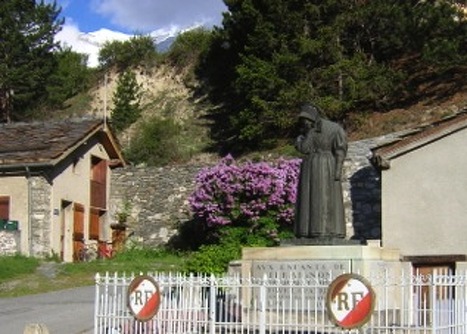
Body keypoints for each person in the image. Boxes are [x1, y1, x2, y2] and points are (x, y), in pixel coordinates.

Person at [294, 103, 348, 239]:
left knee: (321, 198)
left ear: (310, 119)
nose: (304, 124)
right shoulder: (333, 128)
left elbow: (304, 148)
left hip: (320, 165)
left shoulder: (319, 130)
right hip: (321, 165)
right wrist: (337, 170)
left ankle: (318, 231)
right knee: (314, 198)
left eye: (305, 121)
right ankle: (313, 231)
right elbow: (340, 150)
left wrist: (299, 139)